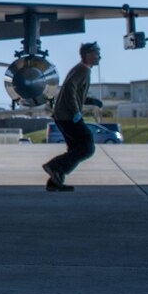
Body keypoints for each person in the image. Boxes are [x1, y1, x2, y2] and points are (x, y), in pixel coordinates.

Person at [43, 41, 102, 192]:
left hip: (62, 115)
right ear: (87, 55)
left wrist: (90, 101)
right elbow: (69, 89)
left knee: (75, 149)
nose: (99, 56)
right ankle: (54, 166)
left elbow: (74, 92)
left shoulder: (80, 69)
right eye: (96, 53)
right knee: (87, 147)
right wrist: (76, 112)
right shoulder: (83, 70)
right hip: (67, 116)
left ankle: (55, 181)